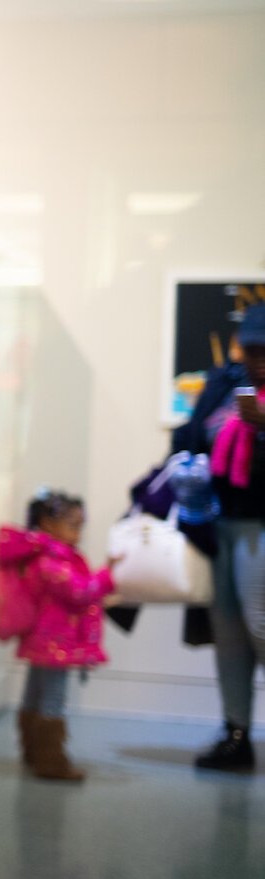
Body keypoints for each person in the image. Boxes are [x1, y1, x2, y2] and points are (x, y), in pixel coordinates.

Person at [0, 489, 116, 781]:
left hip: (42, 641)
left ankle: (33, 751)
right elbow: (80, 592)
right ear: (47, 524)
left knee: (34, 695)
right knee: (52, 700)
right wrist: (107, 576)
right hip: (56, 644)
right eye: (73, 525)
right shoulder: (53, 561)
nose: (79, 533)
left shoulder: (41, 556)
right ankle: (51, 761)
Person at [191, 303, 265, 772]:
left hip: (261, 526)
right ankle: (236, 734)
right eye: (252, 348)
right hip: (220, 523)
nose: (257, 359)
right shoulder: (224, 382)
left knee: (261, 626)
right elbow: (192, 435)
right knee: (229, 634)